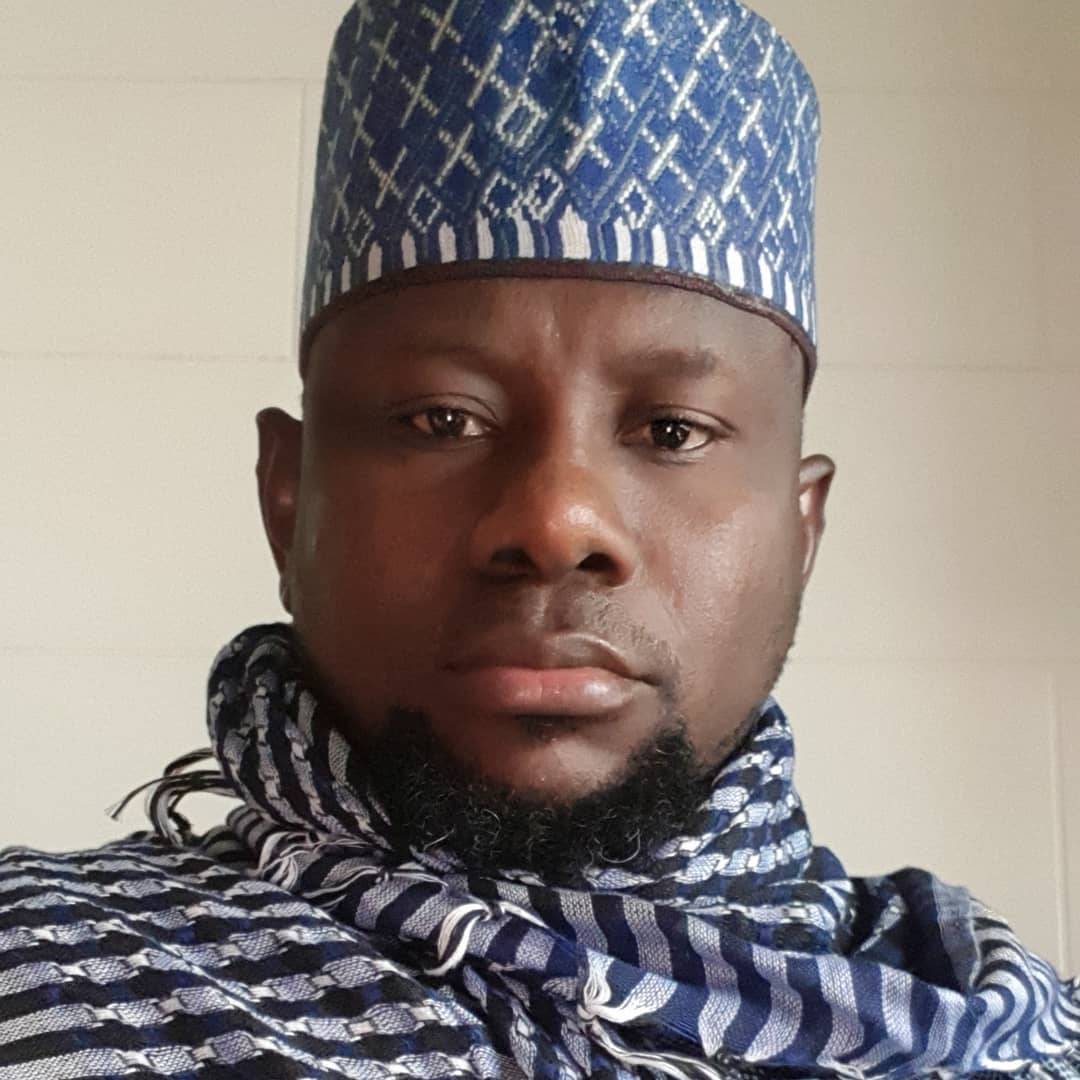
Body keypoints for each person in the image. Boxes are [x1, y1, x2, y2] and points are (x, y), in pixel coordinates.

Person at [1, 0, 1077, 1077]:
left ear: (803, 531)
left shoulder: (1004, 1033)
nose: (556, 524)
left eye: (672, 431)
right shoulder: (43, 983)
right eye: (442, 420)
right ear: (288, 498)